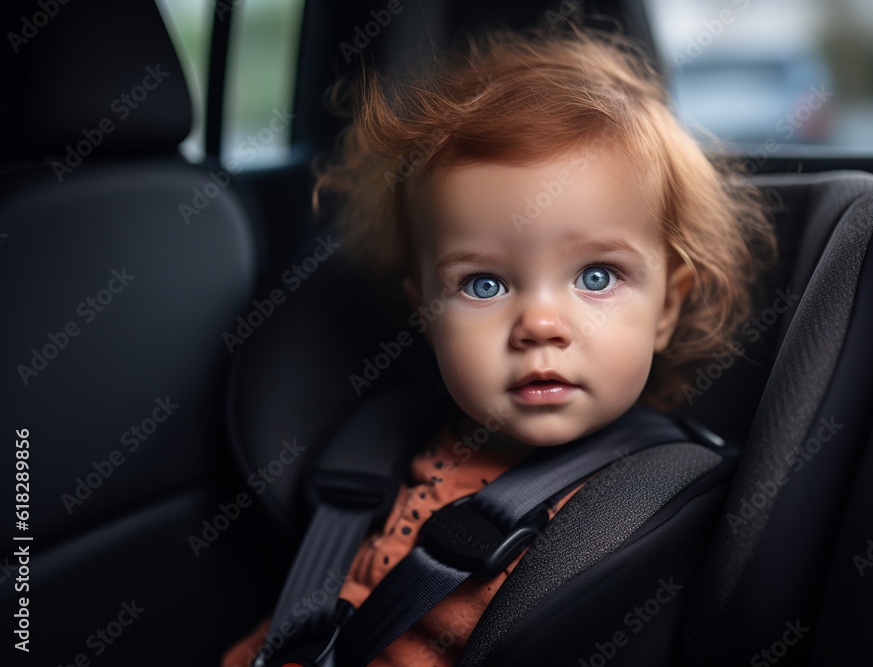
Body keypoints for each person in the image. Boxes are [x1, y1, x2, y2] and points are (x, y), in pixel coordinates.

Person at [224, 19, 776, 667]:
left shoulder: (644, 507)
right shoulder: (382, 447)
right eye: (483, 283)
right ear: (425, 312)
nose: (540, 324)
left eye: (597, 276)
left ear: (667, 307)